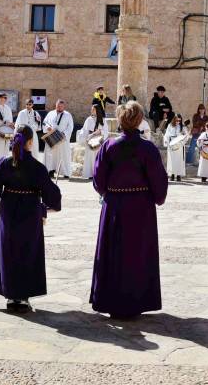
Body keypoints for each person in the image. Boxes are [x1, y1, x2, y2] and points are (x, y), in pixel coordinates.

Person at [90, 101, 168, 319]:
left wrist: (109, 192)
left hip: (114, 206)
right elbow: (158, 181)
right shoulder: (148, 149)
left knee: (114, 252)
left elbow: (98, 180)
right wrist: (158, 198)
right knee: (138, 252)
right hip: (141, 207)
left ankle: (112, 300)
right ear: (140, 120)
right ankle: (137, 301)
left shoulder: (109, 146)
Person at [0, 126, 62, 312]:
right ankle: (22, 296)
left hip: (8, 211)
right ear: (30, 142)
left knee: (9, 251)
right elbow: (52, 197)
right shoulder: (38, 167)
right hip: (30, 213)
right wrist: (53, 195)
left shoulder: (4, 163)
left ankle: (11, 295)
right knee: (27, 252)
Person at [43, 99, 75, 178]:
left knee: (63, 155)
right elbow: (44, 122)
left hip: (62, 138)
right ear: (56, 105)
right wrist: (48, 127)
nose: (59, 107)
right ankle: (50, 171)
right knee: (50, 154)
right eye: (58, 106)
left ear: (64, 106)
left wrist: (64, 134)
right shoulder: (50, 113)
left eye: (61, 106)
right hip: (51, 136)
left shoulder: (68, 115)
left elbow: (70, 126)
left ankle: (66, 173)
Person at [80, 106, 109, 180]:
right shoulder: (88, 119)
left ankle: (97, 174)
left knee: (97, 157)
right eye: (91, 109)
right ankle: (90, 174)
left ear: (97, 110)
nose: (92, 110)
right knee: (90, 157)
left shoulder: (103, 120)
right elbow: (84, 130)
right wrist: (86, 137)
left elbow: (106, 131)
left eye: (93, 109)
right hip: (90, 140)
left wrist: (100, 132)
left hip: (99, 141)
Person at [164, 114, 187, 181]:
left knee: (179, 160)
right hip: (171, 144)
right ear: (174, 119)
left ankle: (178, 175)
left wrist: (182, 142)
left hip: (179, 145)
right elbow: (166, 135)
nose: (178, 122)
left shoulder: (183, 127)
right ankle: (172, 174)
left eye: (179, 120)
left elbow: (186, 136)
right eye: (177, 120)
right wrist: (167, 141)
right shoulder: (170, 125)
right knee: (172, 160)